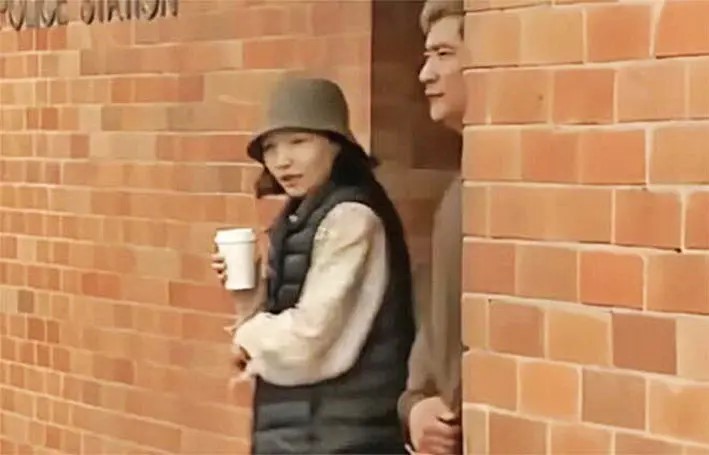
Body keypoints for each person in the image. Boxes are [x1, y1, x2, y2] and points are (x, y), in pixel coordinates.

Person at [212, 77, 416, 454]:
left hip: (341, 440)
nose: (282, 160)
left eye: (298, 142)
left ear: (336, 144)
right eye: (271, 147)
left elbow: (311, 340)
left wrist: (248, 338)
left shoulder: (351, 219)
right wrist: (250, 296)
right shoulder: (299, 218)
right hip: (308, 437)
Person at [398, 1, 468, 454]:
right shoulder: (455, 194)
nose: (426, 74)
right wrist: (417, 405)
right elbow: (435, 326)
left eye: (444, 54)